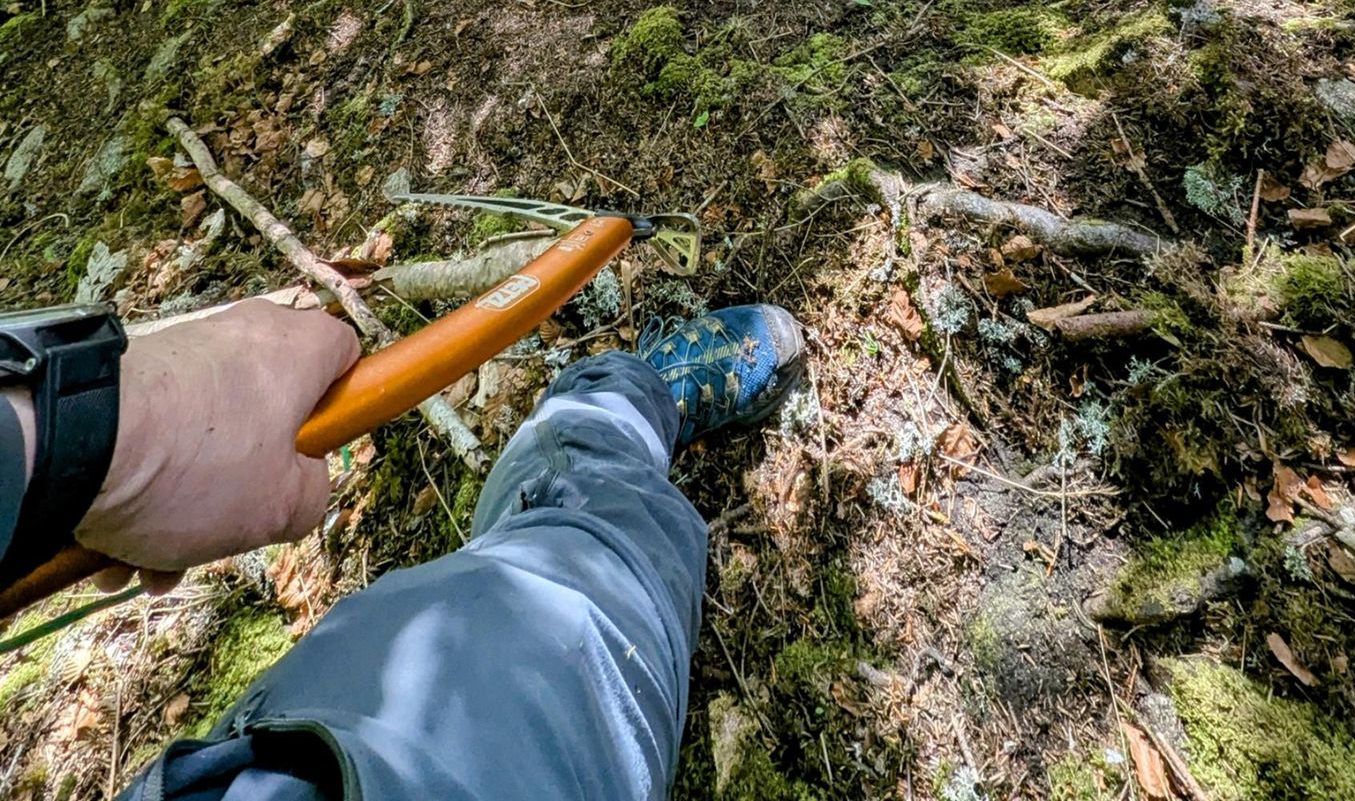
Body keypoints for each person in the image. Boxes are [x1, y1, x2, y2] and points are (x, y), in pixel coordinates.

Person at [0, 294, 806, 799]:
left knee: (469, 605)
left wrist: (84, 442)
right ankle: (621, 411)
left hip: (263, 762)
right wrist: (112, 427)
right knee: (592, 542)